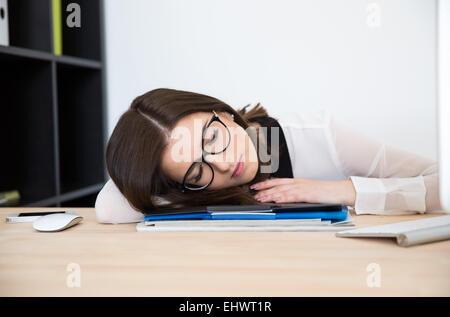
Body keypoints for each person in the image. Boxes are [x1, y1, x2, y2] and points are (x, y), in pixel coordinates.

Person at [95, 88, 442, 224]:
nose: (225, 164)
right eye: (198, 172)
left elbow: (442, 184)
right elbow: (109, 206)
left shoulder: (319, 135)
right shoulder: (188, 189)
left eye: (213, 137)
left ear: (223, 113)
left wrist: (341, 191)